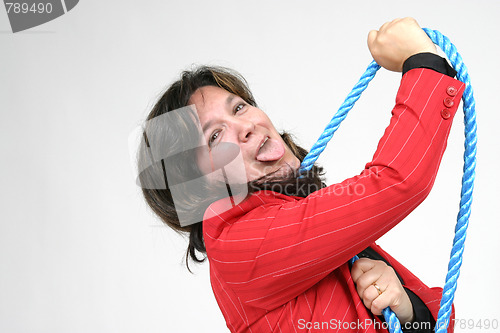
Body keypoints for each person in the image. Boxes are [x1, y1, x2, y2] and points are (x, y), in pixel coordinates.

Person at [136, 18, 464, 332]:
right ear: (196, 186)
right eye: (214, 136)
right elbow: (395, 183)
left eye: (238, 108)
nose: (246, 126)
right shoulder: (239, 243)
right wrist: (423, 63)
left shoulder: (297, 221)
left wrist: (407, 309)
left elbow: (439, 320)